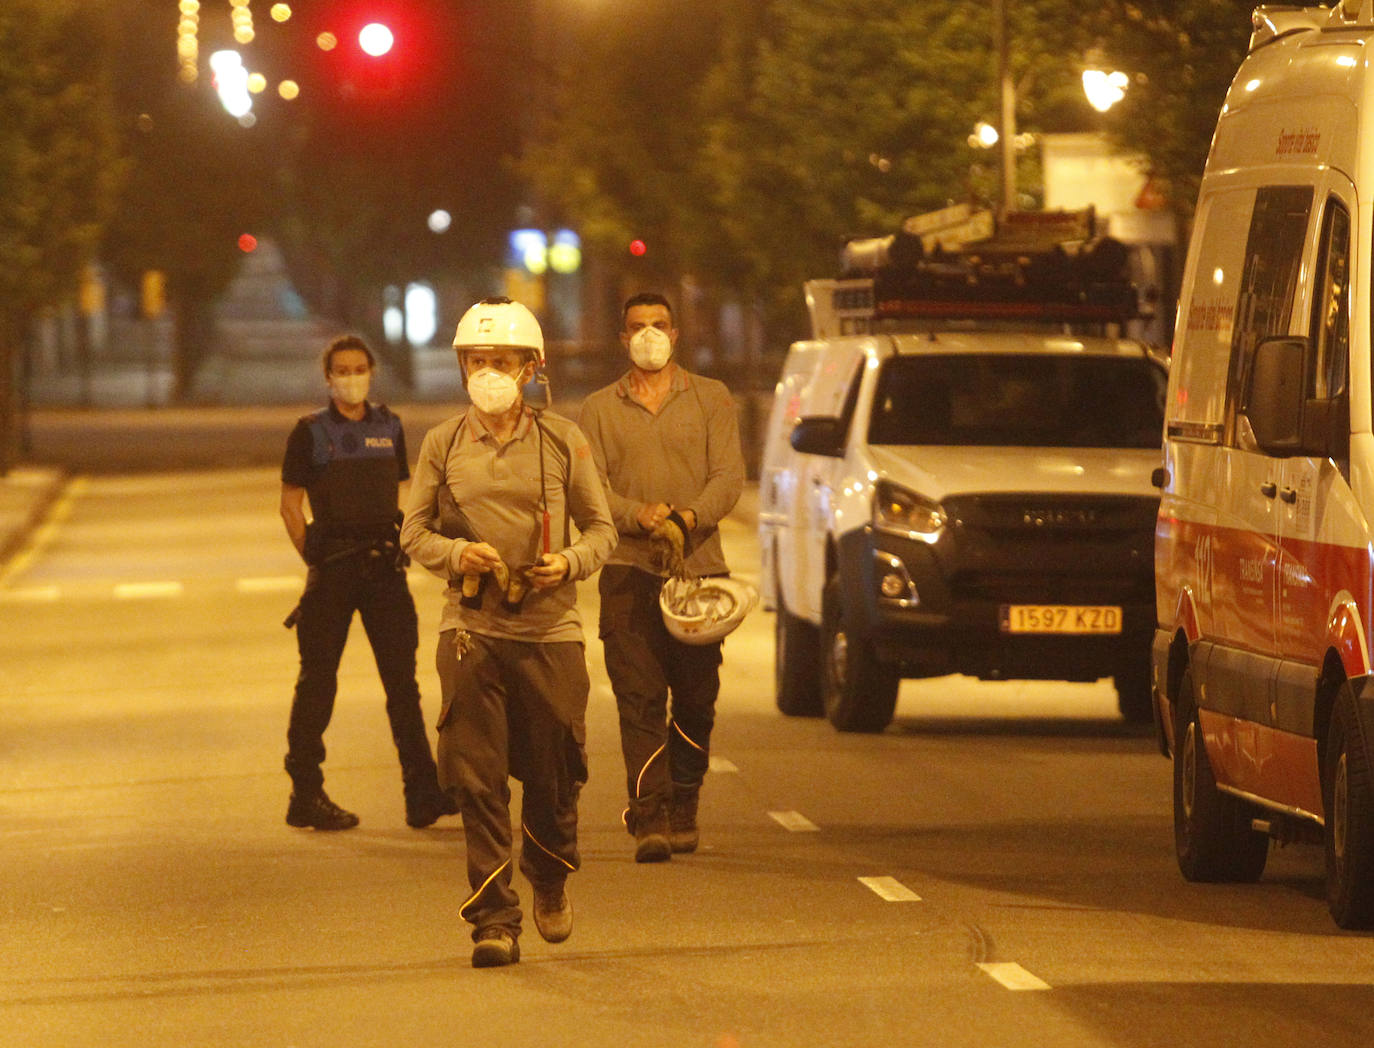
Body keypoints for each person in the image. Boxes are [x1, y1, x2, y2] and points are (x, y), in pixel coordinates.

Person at [400, 297, 616, 969]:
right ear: (462, 366)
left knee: (553, 776)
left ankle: (548, 875)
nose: (490, 372)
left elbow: (602, 530)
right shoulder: (443, 443)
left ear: (531, 368)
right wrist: (456, 556)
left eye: (504, 361)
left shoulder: (564, 439)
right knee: (479, 778)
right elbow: (414, 533)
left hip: (551, 631)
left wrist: (567, 564)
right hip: (471, 629)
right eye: (479, 361)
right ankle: (494, 919)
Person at [577, 292, 745, 863]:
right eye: (637, 327)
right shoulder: (599, 408)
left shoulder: (711, 398)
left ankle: (684, 801)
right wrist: (638, 514)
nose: (649, 334)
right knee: (638, 698)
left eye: (659, 325)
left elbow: (728, 477)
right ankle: (648, 813)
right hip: (627, 571)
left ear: (676, 334)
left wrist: (688, 517)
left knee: (696, 699)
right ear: (623, 339)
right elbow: (591, 487)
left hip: (698, 574)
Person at [279, 334, 456, 832]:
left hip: (383, 570)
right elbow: (290, 505)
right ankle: (305, 793)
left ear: (371, 373)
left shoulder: (390, 426)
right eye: (342, 369)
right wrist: (313, 555)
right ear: (328, 377)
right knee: (318, 684)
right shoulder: (309, 432)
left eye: (360, 368)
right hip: (333, 571)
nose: (351, 377)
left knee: (403, 686)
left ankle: (422, 792)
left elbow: (401, 493)